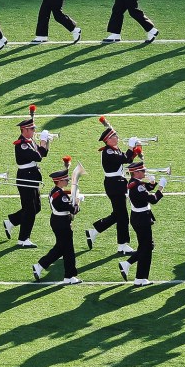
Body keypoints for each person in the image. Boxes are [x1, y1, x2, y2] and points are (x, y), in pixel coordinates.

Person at [86, 119, 136, 255]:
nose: (117, 137)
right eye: (114, 136)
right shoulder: (108, 151)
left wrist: (135, 150)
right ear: (108, 140)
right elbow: (124, 159)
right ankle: (122, 245)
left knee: (118, 214)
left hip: (117, 184)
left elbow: (128, 159)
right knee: (123, 216)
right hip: (114, 185)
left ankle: (94, 231)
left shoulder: (114, 148)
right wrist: (131, 148)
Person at [3, 108, 49, 248]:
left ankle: (12, 221)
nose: (35, 131)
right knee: (30, 209)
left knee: (37, 207)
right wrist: (42, 140)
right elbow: (37, 157)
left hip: (32, 177)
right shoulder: (22, 144)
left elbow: (43, 153)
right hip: (25, 177)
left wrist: (46, 141)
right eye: (32, 129)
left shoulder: (29, 141)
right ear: (25, 130)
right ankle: (23, 239)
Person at [33, 158, 82, 284]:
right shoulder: (59, 195)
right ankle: (68, 276)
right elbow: (73, 210)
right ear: (59, 181)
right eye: (66, 180)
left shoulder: (56, 192)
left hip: (58, 220)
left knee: (62, 248)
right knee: (68, 250)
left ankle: (41, 266)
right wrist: (78, 201)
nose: (67, 181)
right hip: (61, 222)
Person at [118, 161, 166, 286]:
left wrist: (152, 184)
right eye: (143, 171)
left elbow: (145, 191)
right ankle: (140, 278)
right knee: (147, 247)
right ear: (136, 172)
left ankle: (129, 266)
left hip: (138, 217)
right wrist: (161, 187)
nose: (145, 172)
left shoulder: (134, 183)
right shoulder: (137, 186)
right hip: (142, 219)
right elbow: (153, 199)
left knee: (147, 246)